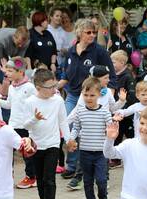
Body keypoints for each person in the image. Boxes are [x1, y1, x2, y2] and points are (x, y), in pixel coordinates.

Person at [58, 18, 117, 186]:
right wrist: (57, 85)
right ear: (79, 33)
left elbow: (111, 75)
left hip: (92, 97)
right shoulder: (70, 51)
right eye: (88, 32)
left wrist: (109, 93)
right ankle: (71, 165)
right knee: (70, 127)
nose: (92, 35)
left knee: (89, 131)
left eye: (94, 32)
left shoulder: (99, 52)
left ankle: (88, 168)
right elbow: (66, 74)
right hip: (72, 95)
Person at [23, 69, 70, 199]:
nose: (54, 89)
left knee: (49, 177)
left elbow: (63, 121)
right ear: (38, 87)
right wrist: (35, 119)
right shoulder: (30, 102)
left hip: (53, 144)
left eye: (54, 85)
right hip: (36, 145)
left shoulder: (58, 100)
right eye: (50, 87)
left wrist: (69, 140)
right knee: (40, 177)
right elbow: (26, 125)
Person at [67, 77, 112, 199]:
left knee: (101, 180)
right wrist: (71, 138)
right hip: (85, 152)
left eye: (92, 95)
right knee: (87, 182)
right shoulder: (80, 111)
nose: (88, 98)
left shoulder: (105, 112)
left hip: (101, 153)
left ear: (99, 94)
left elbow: (110, 129)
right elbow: (76, 128)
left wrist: (111, 133)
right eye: (85, 95)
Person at [0, 57, 37, 189]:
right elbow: (9, 104)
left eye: (10, 71)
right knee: (7, 151)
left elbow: (37, 103)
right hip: (13, 125)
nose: (7, 73)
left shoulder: (30, 87)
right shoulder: (11, 87)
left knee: (27, 153)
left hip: (25, 125)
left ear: (21, 72)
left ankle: (31, 177)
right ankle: (7, 176)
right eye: (7, 70)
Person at [110, 50, 136, 169]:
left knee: (130, 135)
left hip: (126, 112)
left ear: (122, 62)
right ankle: (116, 158)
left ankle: (133, 155)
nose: (111, 64)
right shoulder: (114, 75)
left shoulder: (128, 76)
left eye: (113, 62)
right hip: (116, 109)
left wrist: (125, 110)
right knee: (117, 134)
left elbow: (131, 95)